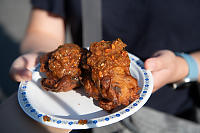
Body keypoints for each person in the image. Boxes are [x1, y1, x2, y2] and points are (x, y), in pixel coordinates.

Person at [3, 0, 200, 132]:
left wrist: (185, 66)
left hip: (170, 115)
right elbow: (43, 31)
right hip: (80, 114)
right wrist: (41, 57)